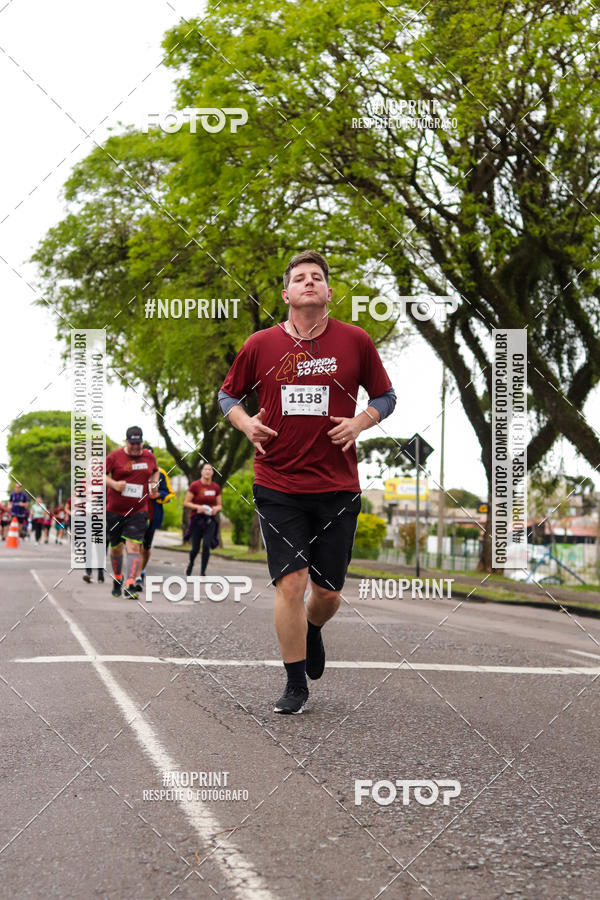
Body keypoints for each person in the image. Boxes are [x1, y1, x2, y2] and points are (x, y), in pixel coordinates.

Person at [219, 250, 396, 714]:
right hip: (278, 483)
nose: (309, 282)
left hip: (337, 485)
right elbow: (227, 394)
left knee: (328, 593)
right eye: (300, 278)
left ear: (329, 292)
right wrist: (244, 423)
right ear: (287, 294)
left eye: (317, 277)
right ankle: (295, 683)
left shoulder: (355, 340)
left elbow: (386, 395)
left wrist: (360, 422)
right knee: (291, 583)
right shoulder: (260, 344)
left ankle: (313, 629)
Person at [105, 426, 159, 599]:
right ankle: (118, 578)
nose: (136, 447)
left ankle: (130, 583)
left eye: (139, 444)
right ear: (126, 442)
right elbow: (99, 475)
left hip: (138, 510)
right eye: (133, 444)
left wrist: (153, 484)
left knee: (134, 545)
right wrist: (114, 484)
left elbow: (155, 471)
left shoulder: (149, 456)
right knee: (116, 548)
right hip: (115, 510)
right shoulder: (115, 456)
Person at [134, 445, 175, 593]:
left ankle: (142, 570)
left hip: (153, 514)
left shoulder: (161, 473)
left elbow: (170, 493)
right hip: (136, 514)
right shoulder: (136, 470)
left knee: (146, 548)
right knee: (135, 546)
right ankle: (137, 576)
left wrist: (159, 496)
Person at [184, 463, 222, 577]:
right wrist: (198, 507)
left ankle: (203, 571)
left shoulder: (215, 487)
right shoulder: (195, 485)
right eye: (205, 469)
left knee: (206, 545)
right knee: (195, 548)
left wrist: (216, 508)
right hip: (197, 519)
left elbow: (220, 505)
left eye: (210, 470)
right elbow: (186, 503)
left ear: (212, 473)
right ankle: (191, 563)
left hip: (210, 519)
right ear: (202, 472)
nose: (207, 472)